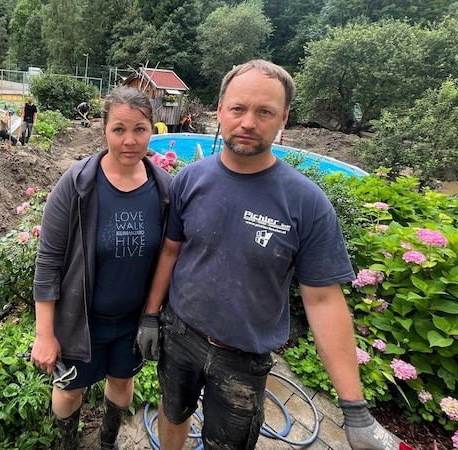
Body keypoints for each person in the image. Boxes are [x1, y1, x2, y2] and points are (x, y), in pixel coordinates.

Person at [135, 60, 400, 450]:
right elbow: (171, 252)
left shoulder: (306, 203)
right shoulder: (190, 180)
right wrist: (150, 316)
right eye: (238, 108)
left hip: (243, 358)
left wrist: (354, 409)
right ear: (220, 110)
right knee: (173, 414)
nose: (248, 122)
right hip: (180, 337)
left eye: (264, 112)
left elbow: (324, 299)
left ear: (283, 119)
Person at [31, 87, 172, 450]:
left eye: (139, 129)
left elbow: (171, 256)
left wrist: (154, 317)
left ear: (151, 130)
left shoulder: (164, 191)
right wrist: (45, 334)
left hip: (132, 321)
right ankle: (68, 444)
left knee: (122, 383)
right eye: (119, 129)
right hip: (81, 320)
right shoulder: (78, 185)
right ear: (104, 129)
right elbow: (48, 260)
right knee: (70, 390)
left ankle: (107, 442)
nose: (130, 140)